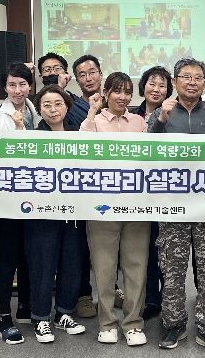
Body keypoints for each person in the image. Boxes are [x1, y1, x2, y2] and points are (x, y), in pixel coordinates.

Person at [148, 58, 205, 356]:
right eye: (186, 77)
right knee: (172, 267)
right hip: (172, 204)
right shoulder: (161, 112)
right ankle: (174, 323)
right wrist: (161, 121)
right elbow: (146, 154)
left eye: (198, 77)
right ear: (175, 81)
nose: (192, 82)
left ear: (204, 82)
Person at [80, 72, 151, 347]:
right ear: (106, 93)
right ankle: (107, 323)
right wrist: (92, 111)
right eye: (117, 91)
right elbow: (81, 150)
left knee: (136, 266)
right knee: (104, 267)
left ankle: (133, 323)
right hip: (102, 206)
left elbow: (149, 159)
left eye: (127, 92)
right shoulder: (94, 122)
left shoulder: (139, 122)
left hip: (136, 205)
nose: (123, 97)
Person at [25, 85, 87, 344]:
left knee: (72, 263)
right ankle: (40, 318)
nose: (53, 109)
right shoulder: (31, 137)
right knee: (42, 265)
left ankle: (64, 313)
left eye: (58, 104)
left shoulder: (79, 135)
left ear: (67, 107)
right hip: (42, 213)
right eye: (47, 105)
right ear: (39, 110)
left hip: (74, 212)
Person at [0, 63, 39, 344]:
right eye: (12, 85)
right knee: (7, 258)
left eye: (22, 84)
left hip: (35, 194)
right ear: (4, 88)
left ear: (30, 86)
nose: (18, 90)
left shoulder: (34, 108)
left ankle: (25, 306)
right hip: (8, 195)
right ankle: (4, 317)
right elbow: (0, 142)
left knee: (28, 254)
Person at [131, 66, 173, 321]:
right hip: (137, 192)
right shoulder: (131, 113)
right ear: (143, 85)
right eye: (152, 83)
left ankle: (169, 299)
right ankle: (150, 299)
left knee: (164, 248)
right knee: (143, 248)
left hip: (164, 190)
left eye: (162, 85)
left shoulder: (174, 114)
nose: (156, 89)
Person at [71, 54, 104, 319]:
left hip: (112, 185)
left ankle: (111, 290)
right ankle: (83, 294)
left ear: (101, 74)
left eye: (92, 72)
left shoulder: (115, 101)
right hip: (83, 184)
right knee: (81, 244)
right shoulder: (72, 109)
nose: (88, 78)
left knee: (109, 243)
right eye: (82, 75)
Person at [36, 52, 89, 127]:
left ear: (66, 74)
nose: (52, 73)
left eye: (57, 68)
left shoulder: (78, 102)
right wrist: (59, 87)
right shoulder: (35, 102)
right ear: (41, 77)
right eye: (47, 70)